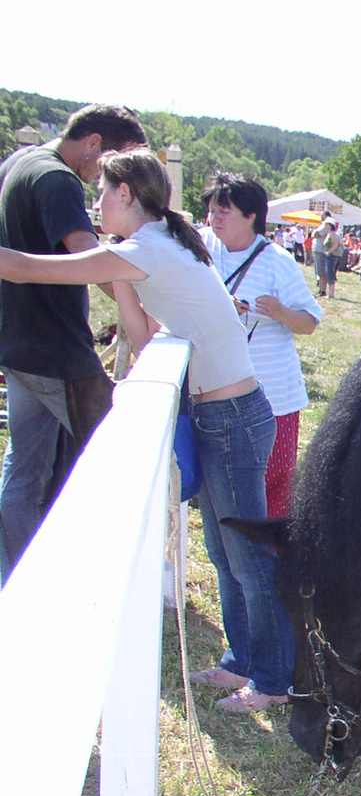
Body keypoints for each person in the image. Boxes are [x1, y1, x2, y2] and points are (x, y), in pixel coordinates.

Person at [0, 150, 295, 714]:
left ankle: (274, 678)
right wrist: (120, 280)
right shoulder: (155, 247)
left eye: (105, 194)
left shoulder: (149, 249)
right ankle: (242, 662)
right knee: (224, 548)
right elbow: (139, 337)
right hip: (223, 413)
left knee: (246, 554)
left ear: (127, 195)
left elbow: (22, 268)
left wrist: (113, 265)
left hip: (232, 417)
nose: (96, 203)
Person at [0, 103, 146, 582]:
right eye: (112, 162)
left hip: (18, 345)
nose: (109, 177)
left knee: (23, 468)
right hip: (56, 350)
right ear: (93, 143)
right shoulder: (58, 179)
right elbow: (89, 256)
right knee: (116, 458)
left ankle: (19, 573)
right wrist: (143, 311)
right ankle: (109, 574)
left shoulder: (17, 163)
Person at [200, 174, 321, 520]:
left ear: (251, 216)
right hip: (216, 389)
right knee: (225, 483)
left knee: (274, 482)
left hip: (273, 396)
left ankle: (272, 554)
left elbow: (310, 323)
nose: (215, 219)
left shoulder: (277, 260)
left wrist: (280, 312)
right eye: (212, 211)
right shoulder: (202, 247)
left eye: (224, 212)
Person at [312, 213, 341, 299]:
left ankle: (325, 291)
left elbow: (316, 234)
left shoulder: (331, 232)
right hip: (321, 251)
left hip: (324, 252)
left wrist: (328, 251)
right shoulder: (327, 230)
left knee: (324, 272)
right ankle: (321, 290)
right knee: (320, 272)